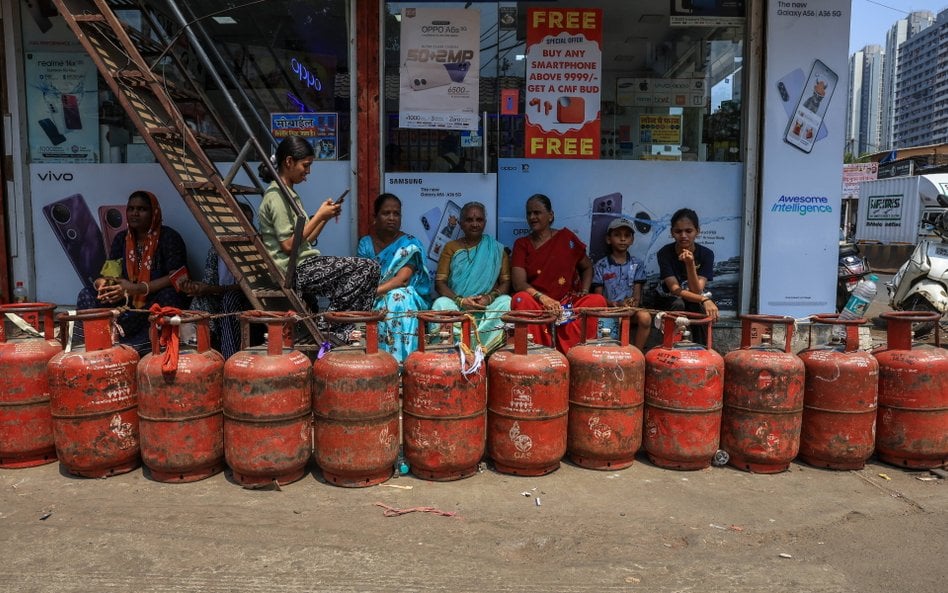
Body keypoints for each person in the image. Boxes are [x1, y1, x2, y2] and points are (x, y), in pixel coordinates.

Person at [257, 135, 380, 342]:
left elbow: (306, 238)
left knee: (368, 271)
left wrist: (324, 218)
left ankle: (340, 325)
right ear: (288, 162)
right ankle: (330, 325)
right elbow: (289, 245)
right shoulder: (276, 196)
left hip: (303, 264)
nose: (308, 171)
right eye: (305, 165)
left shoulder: (287, 194)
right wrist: (320, 215)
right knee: (367, 268)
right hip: (294, 270)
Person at [76, 190, 189, 354]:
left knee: (170, 297)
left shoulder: (169, 237)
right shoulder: (121, 238)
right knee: (87, 294)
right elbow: (111, 274)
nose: (135, 213)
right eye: (131, 208)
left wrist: (137, 289)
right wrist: (105, 285)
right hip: (126, 301)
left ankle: (136, 346)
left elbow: (178, 277)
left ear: (154, 213)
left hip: (152, 302)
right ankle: (97, 340)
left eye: (142, 209)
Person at [510, 193, 606, 354]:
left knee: (597, 301)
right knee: (520, 299)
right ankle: (539, 353)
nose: (532, 217)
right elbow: (519, 283)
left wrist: (584, 291)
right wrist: (544, 299)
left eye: (537, 212)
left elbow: (587, 267)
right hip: (538, 303)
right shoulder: (522, 244)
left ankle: (579, 355)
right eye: (529, 213)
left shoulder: (566, 238)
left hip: (567, 303)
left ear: (550, 215)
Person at [357, 193, 432, 363]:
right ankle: (379, 363)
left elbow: (402, 279)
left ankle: (401, 364)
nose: (392, 218)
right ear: (375, 217)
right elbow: (362, 278)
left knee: (399, 299)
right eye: (386, 213)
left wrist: (372, 292)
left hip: (403, 296)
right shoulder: (366, 244)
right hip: (373, 296)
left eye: (396, 214)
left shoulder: (409, 244)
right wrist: (369, 294)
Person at [431, 201, 511, 352]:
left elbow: (506, 283)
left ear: (485, 223)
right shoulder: (451, 248)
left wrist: (489, 298)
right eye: (469, 220)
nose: (474, 224)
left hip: (485, 307)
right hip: (458, 307)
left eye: (479, 220)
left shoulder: (497, 249)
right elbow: (440, 283)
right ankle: (452, 349)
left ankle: (485, 349)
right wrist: (460, 300)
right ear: (461, 224)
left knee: (506, 301)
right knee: (440, 304)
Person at [181, 202, 257, 359]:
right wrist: (197, 288)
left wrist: (211, 289)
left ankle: (229, 359)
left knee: (229, 300)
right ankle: (193, 356)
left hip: (247, 298)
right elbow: (210, 281)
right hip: (219, 294)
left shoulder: (255, 249)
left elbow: (249, 287)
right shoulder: (217, 248)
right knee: (199, 302)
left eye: (248, 222)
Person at [655, 208, 719, 344]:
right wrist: (704, 299)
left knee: (701, 308)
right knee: (678, 304)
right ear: (672, 232)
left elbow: (696, 290)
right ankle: (672, 347)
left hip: (693, 298)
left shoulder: (706, 254)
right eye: (678, 231)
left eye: (688, 231)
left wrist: (690, 264)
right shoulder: (664, 253)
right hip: (669, 299)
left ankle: (703, 349)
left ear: (697, 231)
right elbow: (674, 289)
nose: (683, 235)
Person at [591, 217, 652, 351]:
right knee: (617, 320)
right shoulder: (601, 265)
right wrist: (615, 305)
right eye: (617, 235)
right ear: (608, 239)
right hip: (609, 309)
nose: (622, 239)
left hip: (630, 309)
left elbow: (636, 295)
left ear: (632, 240)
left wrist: (631, 306)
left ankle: (637, 353)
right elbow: (598, 298)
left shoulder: (637, 264)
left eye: (627, 235)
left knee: (645, 317)